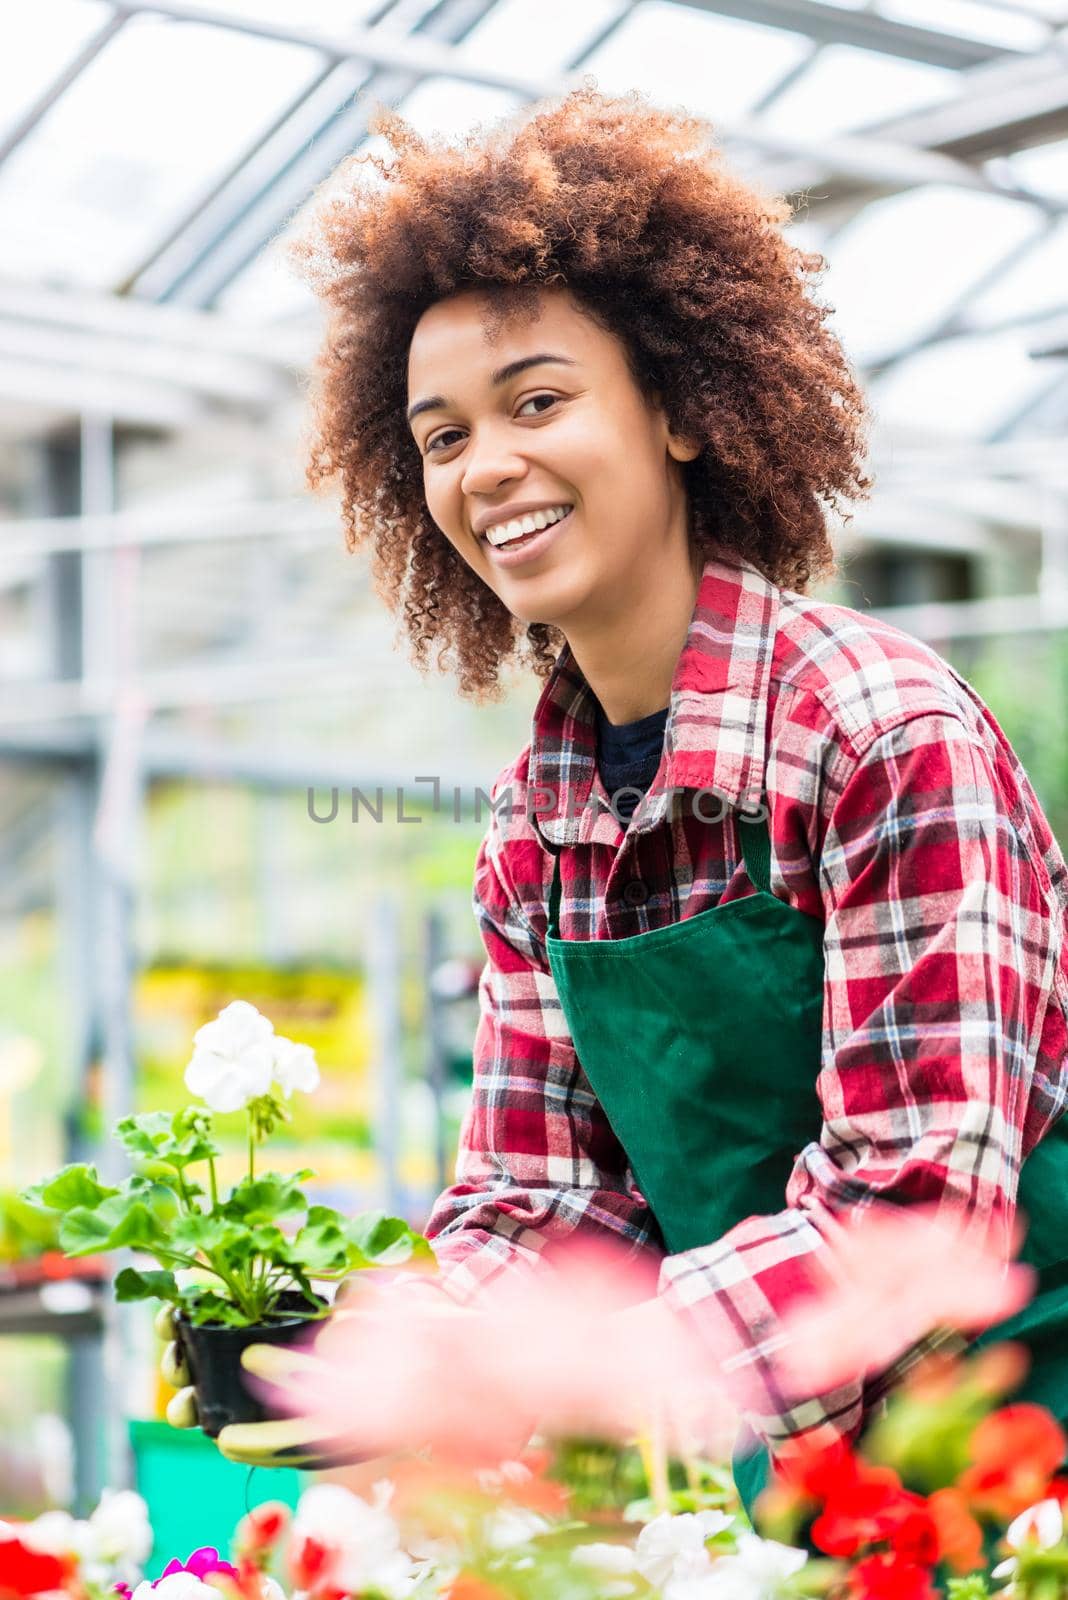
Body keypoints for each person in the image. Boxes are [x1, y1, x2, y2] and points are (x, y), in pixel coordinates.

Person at [163, 86, 1068, 1510]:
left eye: (537, 401)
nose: (488, 468)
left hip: (1011, 1448)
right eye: (443, 436)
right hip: (770, 1463)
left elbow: (919, 1210)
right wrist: (373, 1343)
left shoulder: (879, 734)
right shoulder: (539, 822)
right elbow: (542, 1197)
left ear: (685, 414)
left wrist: (565, 1375)